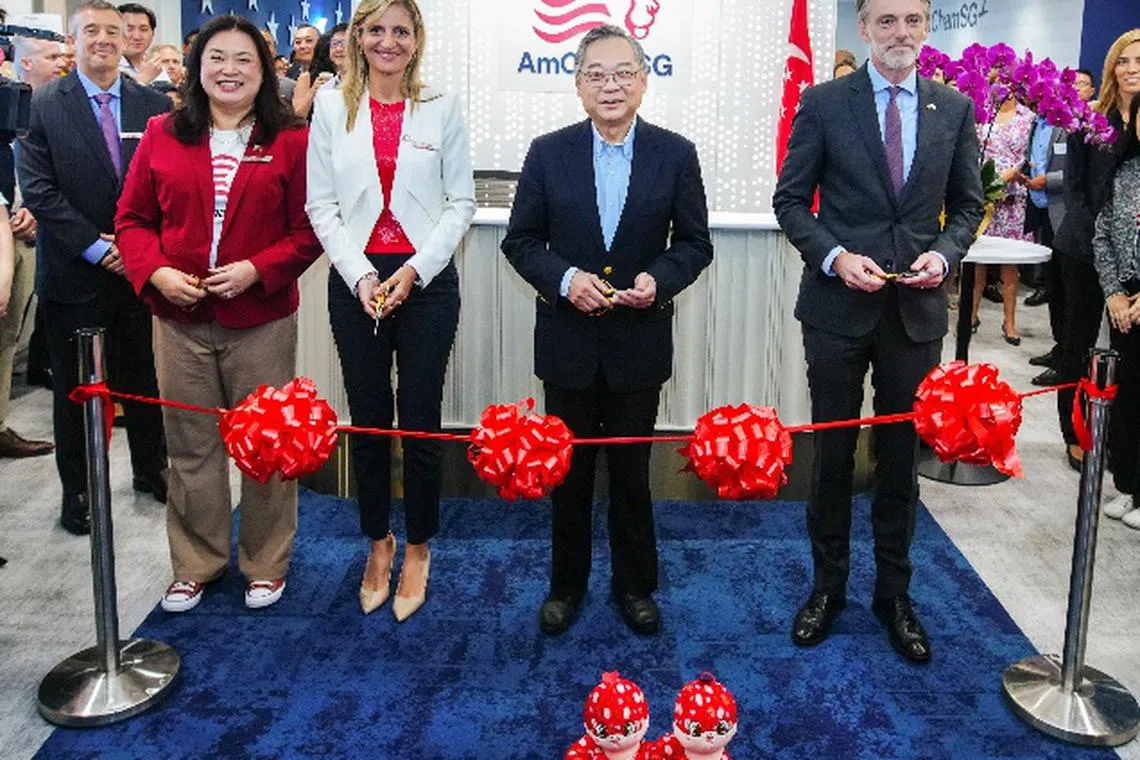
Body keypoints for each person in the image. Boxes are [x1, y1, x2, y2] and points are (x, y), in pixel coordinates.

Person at [772, 0, 983, 663]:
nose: (900, 33)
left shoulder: (952, 109)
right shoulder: (825, 102)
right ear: (862, 28)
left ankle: (894, 594)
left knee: (900, 463)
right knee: (833, 459)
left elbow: (970, 203)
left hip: (914, 317)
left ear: (926, 28)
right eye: (886, 20)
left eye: (912, 21)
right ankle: (828, 588)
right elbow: (790, 201)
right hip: (837, 310)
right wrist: (836, 256)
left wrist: (945, 254)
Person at [502, 24, 713, 637]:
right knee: (566, 475)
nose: (611, 85)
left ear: (645, 81)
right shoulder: (548, 151)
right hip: (567, 343)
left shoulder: (676, 154)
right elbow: (520, 242)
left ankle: (635, 586)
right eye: (596, 74)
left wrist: (658, 280)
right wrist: (566, 278)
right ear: (578, 86)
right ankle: (565, 587)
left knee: (629, 475)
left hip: (638, 345)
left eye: (623, 73)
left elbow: (695, 245)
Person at [116, 14, 321, 612]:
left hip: (259, 319)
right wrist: (155, 272)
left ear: (265, 72)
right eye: (217, 59)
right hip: (179, 319)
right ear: (197, 67)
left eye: (244, 60)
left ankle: (264, 562)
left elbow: (309, 230)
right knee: (190, 448)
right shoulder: (161, 132)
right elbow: (131, 220)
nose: (229, 71)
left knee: (266, 445)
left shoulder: (292, 141)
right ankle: (196, 563)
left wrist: (258, 269)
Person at [306, 0, 475, 622]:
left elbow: (461, 202)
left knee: (422, 421)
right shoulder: (329, 105)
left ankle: (420, 547)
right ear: (358, 38)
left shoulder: (441, 106)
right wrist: (361, 274)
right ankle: (378, 542)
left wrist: (411, 270)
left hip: (425, 278)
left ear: (416, 40)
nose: (388, 41)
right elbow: (320, 205)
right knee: (371, 421)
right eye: (375, 29)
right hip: (357, 281)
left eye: (400, 30)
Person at [18, 0, 172, 536]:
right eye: (92, 31)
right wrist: (95, 247)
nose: (104, 39)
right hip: (73, 273)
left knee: (144, 380)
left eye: (114, 30)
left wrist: (135, 249)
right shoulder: (42, 103)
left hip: (139, 272)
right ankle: (78, 490)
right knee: (76, 391)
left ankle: (153, 471)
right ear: (72, 38)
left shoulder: (153, 103)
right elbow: (38, 189)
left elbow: (164, 185)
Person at [1052, 29, 1140, 474]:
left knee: (1127, 355)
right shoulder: (1089, 119)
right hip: (1084, 251)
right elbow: (1074, 190)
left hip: (1135, 264)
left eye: (1139, 61)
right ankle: (1077, 435)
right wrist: (1102, 250)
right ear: (1111, 68)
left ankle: (1122, 444)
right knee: (1078, 343)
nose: (1131, 69)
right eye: (1123, 61)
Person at [0, 36, 65, 459]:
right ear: (23, 64)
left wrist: (30, 210)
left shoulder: (40, 105)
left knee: (7, 337)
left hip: (23, 234)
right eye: (53, 56)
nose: (64, 62)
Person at [1093, 46, 1140, 530]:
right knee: (1126, 398)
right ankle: (1129, 484)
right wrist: (1113, 292)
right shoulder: (1125, 171)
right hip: (1122, 298)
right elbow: (1103, 231)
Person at [969, 95, 1035, 345]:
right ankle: (971, 315)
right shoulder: (980, 113)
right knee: (977, 264)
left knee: (1010, 266)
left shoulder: (1028, 118)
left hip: (1013, 199)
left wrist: (1011, 176)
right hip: (983, 195)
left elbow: (1032, 153)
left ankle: (1009, 322)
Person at [292, 24, 347, 120]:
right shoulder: (307, 77)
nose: (303, 46)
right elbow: (297, 117)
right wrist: (314, 90)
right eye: (298, 42)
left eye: (308, 41)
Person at [117, 3, 165, 84]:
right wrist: (143, 79)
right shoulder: (107, 67)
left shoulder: (155, 64)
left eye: (143, 29)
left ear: (152, 34)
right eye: (129, 29)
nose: (137, 37)